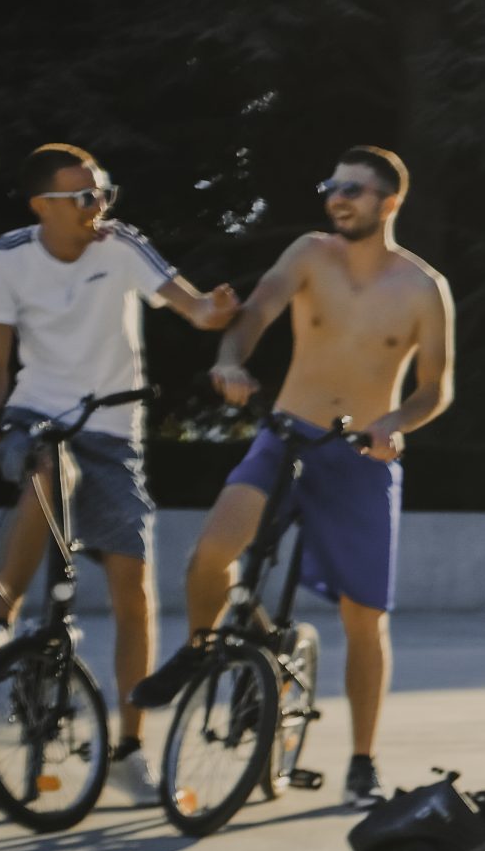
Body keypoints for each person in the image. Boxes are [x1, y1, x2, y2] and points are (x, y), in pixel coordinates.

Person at [130, 147, 454, 808]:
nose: (338, 197)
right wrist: (229, 361)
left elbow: (436, 387)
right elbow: (256, 311)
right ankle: (202, 649)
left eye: (355, 190)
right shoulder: (310, 253)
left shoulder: (423, 287)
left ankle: (362, 760)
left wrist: (394, 423)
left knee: (365, 617)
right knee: (212, 553)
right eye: (332, 185)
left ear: (390, 201)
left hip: (361, 456)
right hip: (286, 434)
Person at [0, 143, 239, 801]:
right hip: (34, 416)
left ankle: (129, 747)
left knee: (132, 588)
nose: (99, 206)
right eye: (83, 196)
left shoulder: (121, 247)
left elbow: (191, 306)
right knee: (52, 471)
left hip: (115, 432)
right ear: (42, 206)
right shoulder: (7, 258)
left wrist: (213, 312)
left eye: (104, 191)